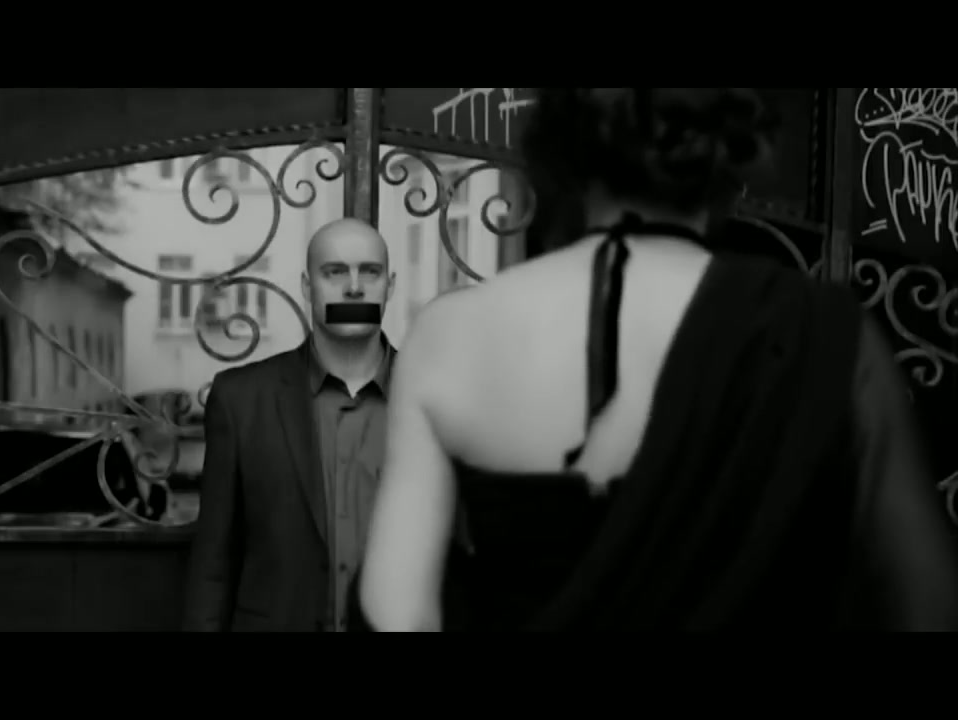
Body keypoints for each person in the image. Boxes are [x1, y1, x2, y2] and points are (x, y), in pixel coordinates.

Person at [356, 88, 958, 632]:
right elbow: (926, 603)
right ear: (729, 154)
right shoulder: (823, 331)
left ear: (558, 151)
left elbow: (396, 615)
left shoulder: (450, 336)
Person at [183, 218, 399, 632]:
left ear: (389, 286)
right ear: (307, 286)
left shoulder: (432, 397)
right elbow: (214, 563)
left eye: (370, 272)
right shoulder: (241, 399)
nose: (354, 288)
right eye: (335, 272)